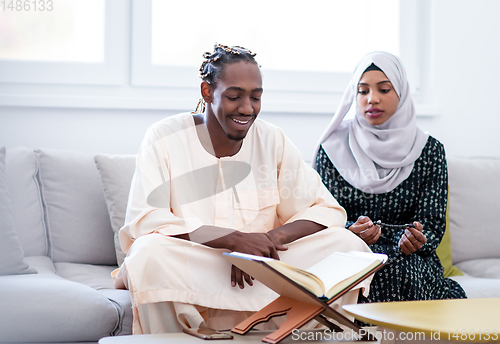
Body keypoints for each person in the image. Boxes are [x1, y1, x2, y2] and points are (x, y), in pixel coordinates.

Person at [113, 43, 372, 334]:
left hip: (263, 267)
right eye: (234, 96)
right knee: (149, 251)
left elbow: (325, 209)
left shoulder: (272, 139)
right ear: (207, 92)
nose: (247, 108)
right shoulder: (164, 136)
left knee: (347, 245)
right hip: (201, 262)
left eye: (256, 97)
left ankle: (295, 335)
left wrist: (266, 240)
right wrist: (232, 240)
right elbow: (146, 219)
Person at [312, 51, 466, 303]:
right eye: (362, 91)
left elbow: (433, 222)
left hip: (411, 261)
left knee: (400, 270)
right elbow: (323, 216)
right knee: (375, 271)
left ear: (401, 93)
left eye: (384, 90)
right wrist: (352, 231)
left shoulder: (429, 150)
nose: (372, 99)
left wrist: (415, 240)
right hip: (350, 256)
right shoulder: (333, 148)